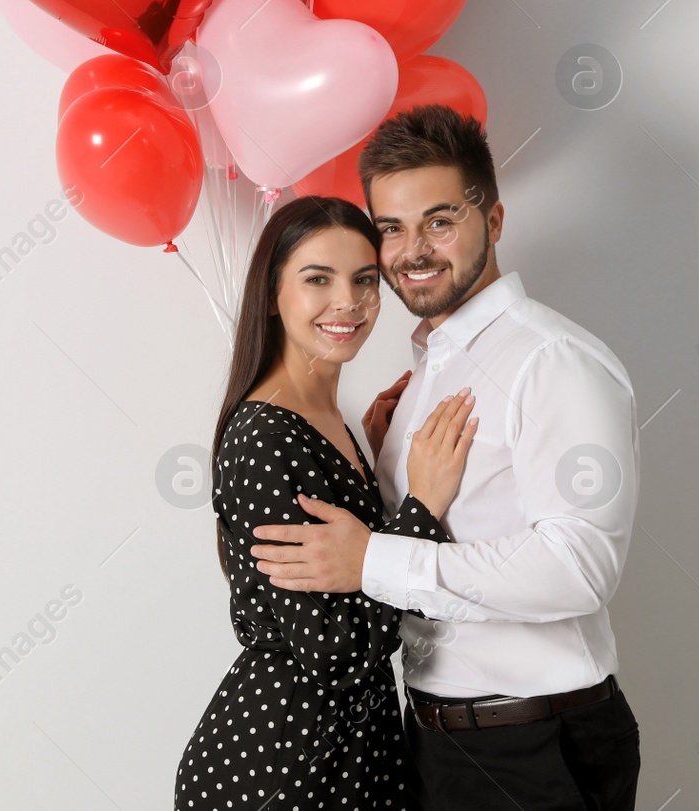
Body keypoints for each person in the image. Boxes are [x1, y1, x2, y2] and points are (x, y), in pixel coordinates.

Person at [248, 106, 643, 811]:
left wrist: (371, 559)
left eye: (439, 220)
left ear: (492, 220)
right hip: (431, 743)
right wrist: (375, 460)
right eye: (391, 228)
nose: (413, 250)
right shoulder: (427, 368)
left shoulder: (551, 361)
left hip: (534, 743)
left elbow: (580, 565)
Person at [175, 194, 481, 811]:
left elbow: (352, 571)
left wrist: (376, 460)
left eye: (365, 280)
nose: (349, 303)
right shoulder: (265, 436)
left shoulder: (324, 417)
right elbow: (334, 649)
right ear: (272, 292)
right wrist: (419, 506)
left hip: (352, 749)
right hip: (284, 764)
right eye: (319, 279)